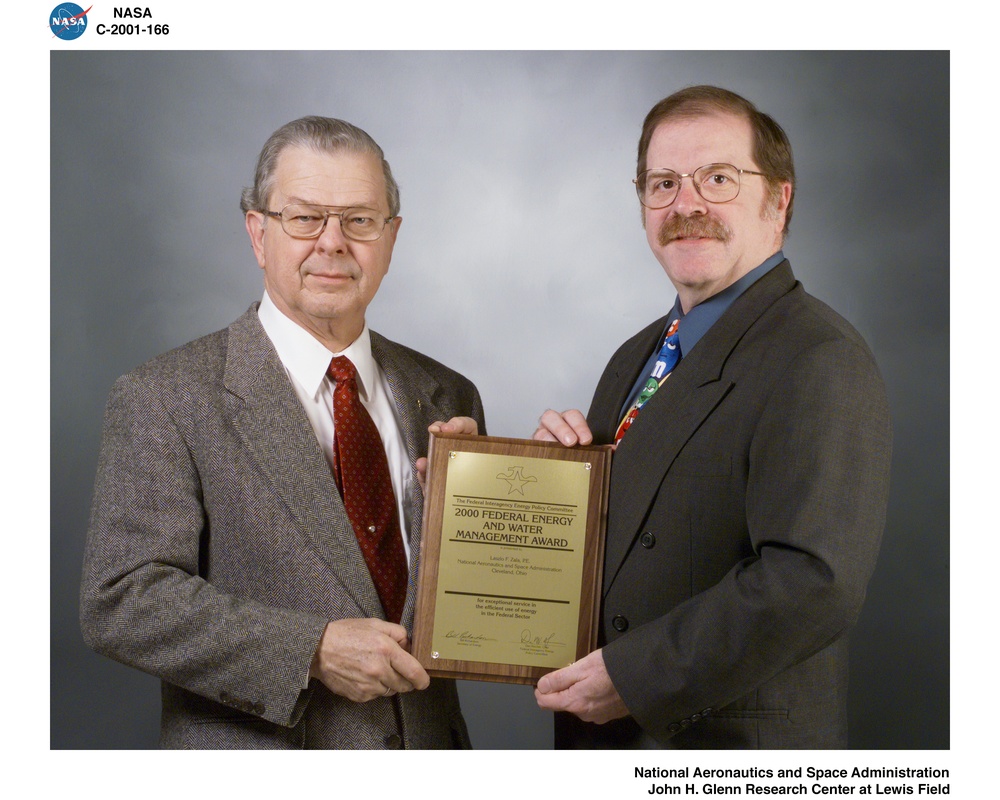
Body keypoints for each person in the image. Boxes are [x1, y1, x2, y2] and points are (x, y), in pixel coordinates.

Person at [80, 116, 484, 749]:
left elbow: (471, 597)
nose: (333, 243)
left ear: (391, 236)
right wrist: (312, 649)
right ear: (257, 231)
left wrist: (517, 492)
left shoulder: (448, 394)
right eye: (304, 218)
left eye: (359, 220)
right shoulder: (165, 396)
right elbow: (122, 598)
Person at [533, 86, 892, 749]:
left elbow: (814, 582)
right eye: (663, 183)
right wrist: (543, 484)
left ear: (777, 200)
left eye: (717, 179)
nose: (686, 204)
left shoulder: (819, 356)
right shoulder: (634, 357)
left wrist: (636, 677)